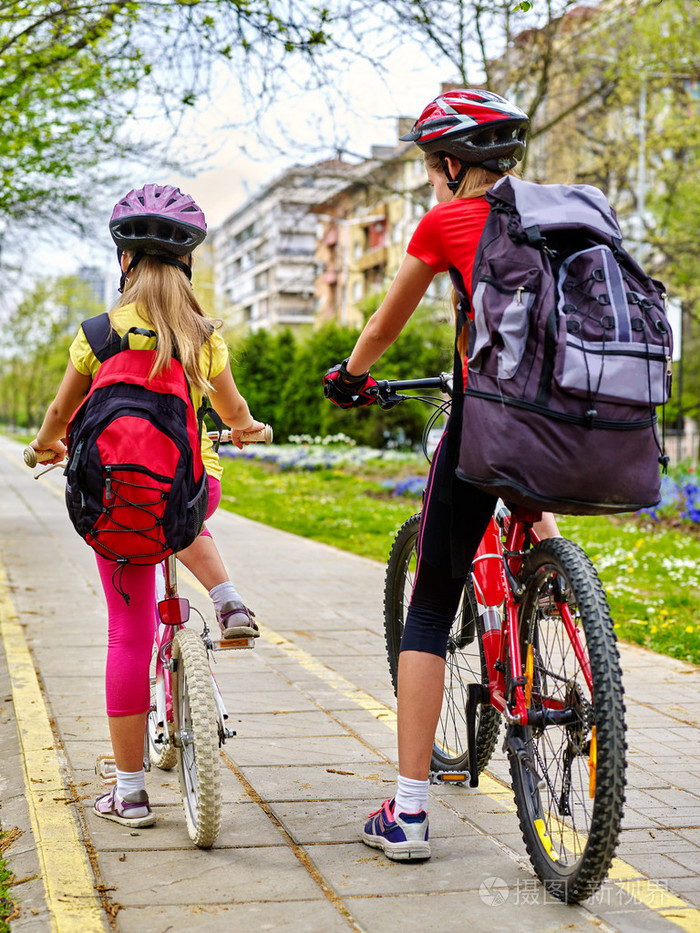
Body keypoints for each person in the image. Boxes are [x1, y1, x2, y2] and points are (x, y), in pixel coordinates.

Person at [324, 90, 559, 862]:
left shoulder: (448, 221)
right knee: (535, 535)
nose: (430, 181)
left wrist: (351, 375)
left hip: (488, 422)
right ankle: (555, 602)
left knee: (427, 607)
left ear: (455, 164)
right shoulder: (561, 214)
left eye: (432, 167)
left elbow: (384, 321)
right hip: (570, 425)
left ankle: (410, 812)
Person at [30, 184, 264, 827]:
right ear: (187, 264)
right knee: (185, 509)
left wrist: (48, 445)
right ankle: (226, 598)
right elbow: (232, 410)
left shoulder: (98, 335)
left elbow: (61, 412)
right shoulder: (202, 337)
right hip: (186, 493)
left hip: (116, 507)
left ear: (124, 261)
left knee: (127, 634)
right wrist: (245, 430)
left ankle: (129, 792)